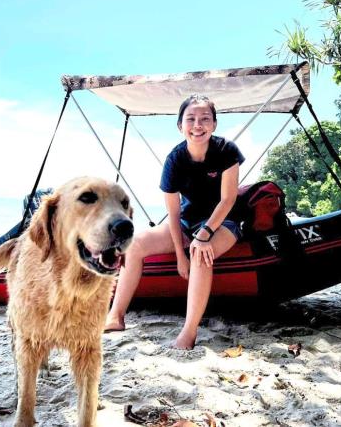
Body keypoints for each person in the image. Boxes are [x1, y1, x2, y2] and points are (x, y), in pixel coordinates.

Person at [104, 94, 245, 349]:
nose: (197, 125)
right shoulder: (174, 159)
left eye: (204, 119)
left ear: (214, 124)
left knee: (203, 252)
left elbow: (227, 200)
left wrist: (204, 235)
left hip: (225, 221)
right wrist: (181, 256)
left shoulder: (227, 151)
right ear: (180, 126)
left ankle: (188, 333)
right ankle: (116, 315)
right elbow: (173, 212)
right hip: (187, 222)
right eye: (190, 119)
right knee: (133, 245)